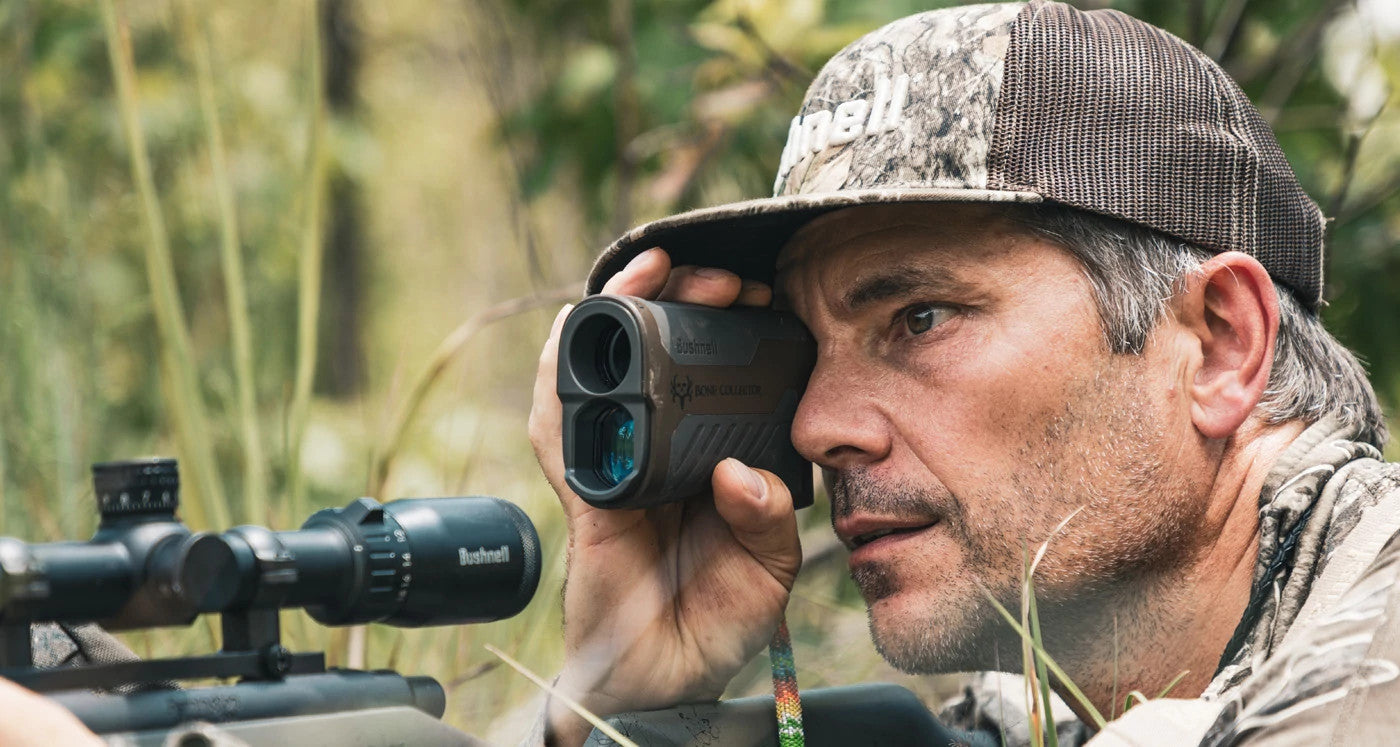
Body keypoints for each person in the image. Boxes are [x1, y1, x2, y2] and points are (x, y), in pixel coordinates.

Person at [528, 1, 1400, 744]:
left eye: (920, 318)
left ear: (1218, 345)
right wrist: (625, 703)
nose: (816, 428)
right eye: (806, 346)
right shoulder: (1026, 714)